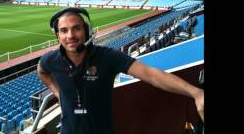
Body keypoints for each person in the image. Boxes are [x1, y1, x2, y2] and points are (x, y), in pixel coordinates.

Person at [37, 7, 204, 134]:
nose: (70, 35)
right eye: (64, 30)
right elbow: (42, 71)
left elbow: (150, 74)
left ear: (86, 30)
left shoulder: (107, 57)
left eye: (76, 28)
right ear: (57, 36)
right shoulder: (51, 59)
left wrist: (195, 92)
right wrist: (58, 93)